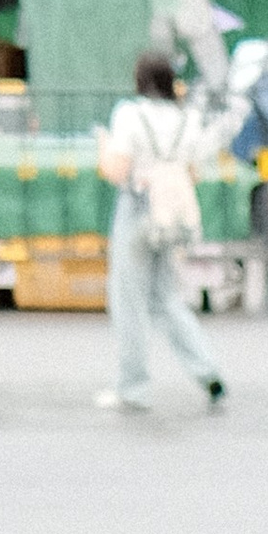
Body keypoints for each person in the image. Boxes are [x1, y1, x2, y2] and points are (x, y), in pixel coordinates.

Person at [93, 50, 225, 416]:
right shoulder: (188, 119)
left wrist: (103, 146)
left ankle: (133, 386)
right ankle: (207, 370)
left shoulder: (129, 114)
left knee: (129, 299)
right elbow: (193, 172)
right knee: (167, 297)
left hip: (137, 207)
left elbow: (118, 170)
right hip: (172, 214)